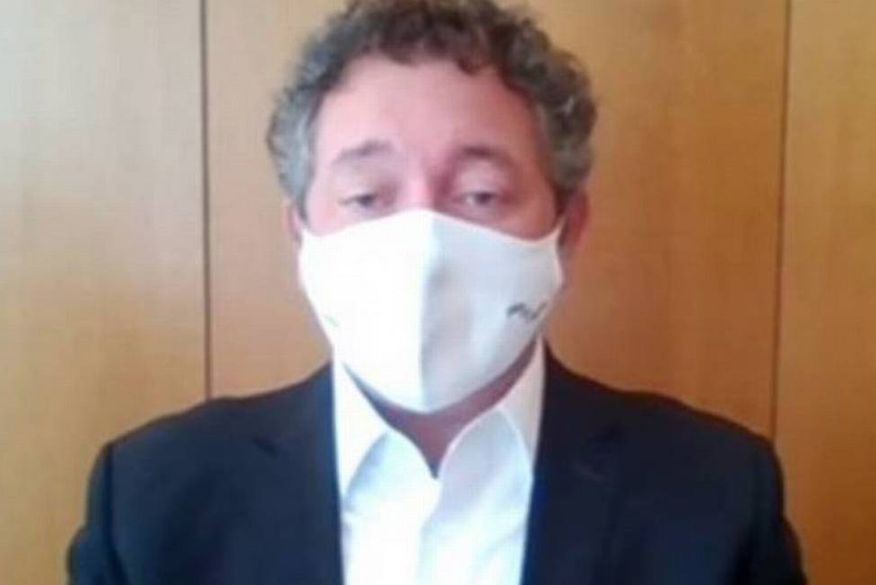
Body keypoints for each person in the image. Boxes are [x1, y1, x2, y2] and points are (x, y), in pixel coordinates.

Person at [68, 0, 806, 583]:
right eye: (367, 195)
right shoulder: (153, 501)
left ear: (567, 228)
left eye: (480, 194)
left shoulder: (712, 495)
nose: (423, 243)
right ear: (302, 234)